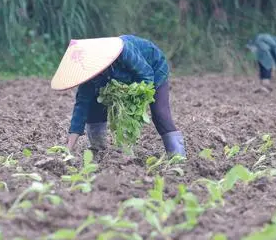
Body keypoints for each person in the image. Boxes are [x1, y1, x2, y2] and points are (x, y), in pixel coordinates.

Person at [50, 35, 186, 157]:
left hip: (153, 68)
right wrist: (68, 149)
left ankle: (178, 157)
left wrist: (131, 100)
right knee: (94, 107)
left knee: (160, 114)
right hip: (121, 80)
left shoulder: (124, 52)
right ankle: (98, 150)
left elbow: (146, 75)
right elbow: (80, 109)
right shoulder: (89, 76)